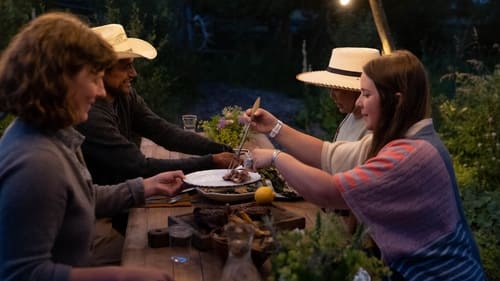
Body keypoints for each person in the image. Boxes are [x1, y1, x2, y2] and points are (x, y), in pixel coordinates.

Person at [248, 50, 485, 280]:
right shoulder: (405, 138)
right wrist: (274, 127)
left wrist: (275, 157)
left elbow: (329, 191)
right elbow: (328, 154)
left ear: (396, 101)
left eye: (366, 94)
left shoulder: (410, 155)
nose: (360, 104)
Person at [0, 12, 182, 281]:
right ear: (60, 80)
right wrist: (124, 277)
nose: (99, 92)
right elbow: (21, 274)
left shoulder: (51, 133)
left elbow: (76, 199)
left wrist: (145, 187)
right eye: (93, 78)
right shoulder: (37, 161)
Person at [76, 23, 234, 186]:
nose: (133, 73)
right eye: (125, 67)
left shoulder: (124, 96)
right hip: (105, 207)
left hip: (127, 195)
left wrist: (222, 150)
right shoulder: (90, 115)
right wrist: (210, 162)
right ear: (100, 71)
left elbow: (163, 132)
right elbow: (139, 166)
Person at [296, 47, 380, 141]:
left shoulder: (371, 130)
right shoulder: (352, 116)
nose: (332, 95)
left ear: (358, 91)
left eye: (337, 89)